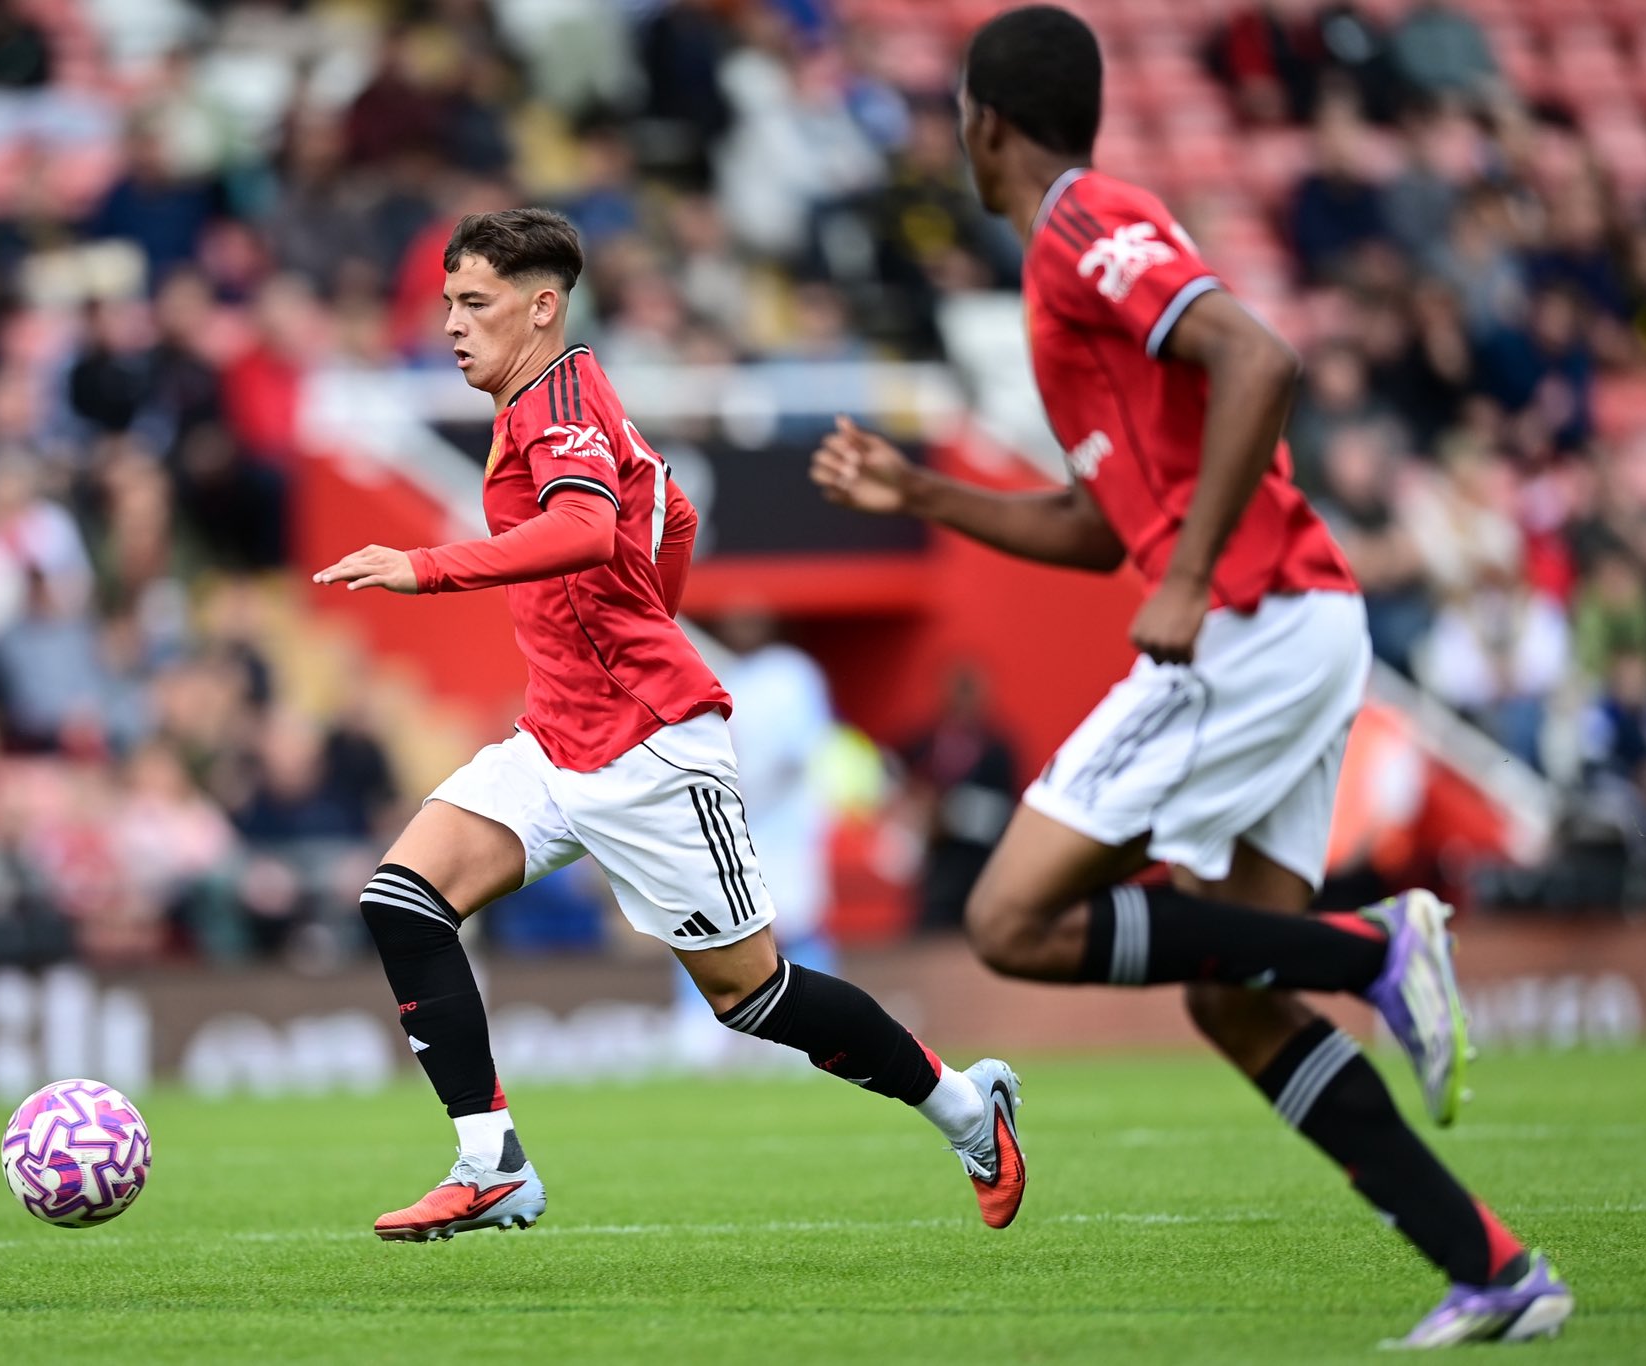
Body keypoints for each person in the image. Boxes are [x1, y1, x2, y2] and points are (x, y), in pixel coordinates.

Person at [810, 7, 1571, 1349]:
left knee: (1011, 918)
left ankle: (1378, 941)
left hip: (1250, 623)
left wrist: (1189, 574)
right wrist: (921, 489)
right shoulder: (1060, 276)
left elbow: (1258, 357)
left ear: (983, 120)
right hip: (1290, 621)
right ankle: (1493, 1266)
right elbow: (1101, 523)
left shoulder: (1075, 224)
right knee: (1234, 996)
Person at [314, 208, 1024, 1242]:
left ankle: (964, 1106)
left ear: (541, 307)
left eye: (474, 303)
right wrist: (645, 609)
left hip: (648, 746)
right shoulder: (564, 392)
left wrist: (424, 567)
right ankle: (491, 1161)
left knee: (751, 995)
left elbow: (589, 523)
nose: (453, 326)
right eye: (447, 305)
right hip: (556, 739)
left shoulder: (554, 402)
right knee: (401, 898)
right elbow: (670, 512)